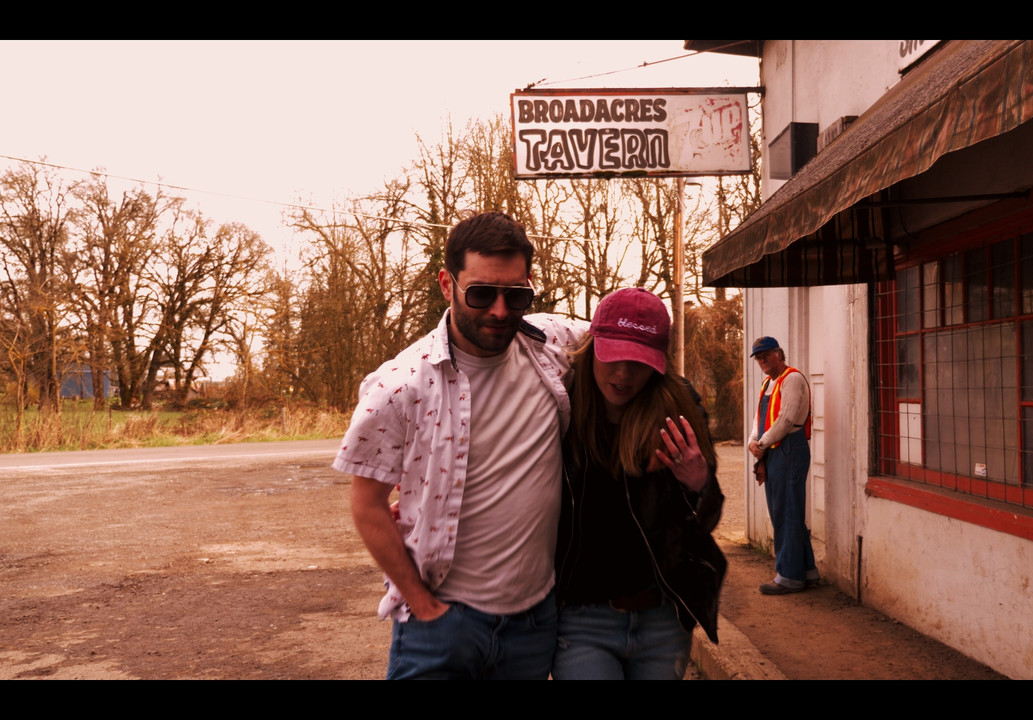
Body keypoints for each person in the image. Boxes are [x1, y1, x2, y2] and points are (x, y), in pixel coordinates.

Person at [334, 211, 584, 680]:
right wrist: (423, 606)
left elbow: (626, 336)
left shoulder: (552, 345)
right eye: (482, 293)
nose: (500, 310)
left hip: (534, 624)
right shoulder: (399, 385)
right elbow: (367, 504)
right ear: (447, 284)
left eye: (516, 295)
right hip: (440, 624)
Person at [552, 287, 727, 680]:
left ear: (658, 363)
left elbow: (706, 523)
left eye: (638, 362)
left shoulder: (679, 410)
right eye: (613, 357)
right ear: (593, 347)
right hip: (581, 621)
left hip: (662, 621)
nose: (623, 375)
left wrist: (700, 484)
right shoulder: (559, 406)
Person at [747, 336, 819, 595]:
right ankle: (807, 571)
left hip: (789, 450)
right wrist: (752, 441)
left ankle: (789, 576)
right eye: (758, 357)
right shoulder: (768, 383)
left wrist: (761, 444)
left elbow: (786, 420)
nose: (762, 361)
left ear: (779, 354)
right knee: (788, 512)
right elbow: (759, 418)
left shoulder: (793, 379)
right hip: (773, 450)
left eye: (766, 355)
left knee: (786, 513)